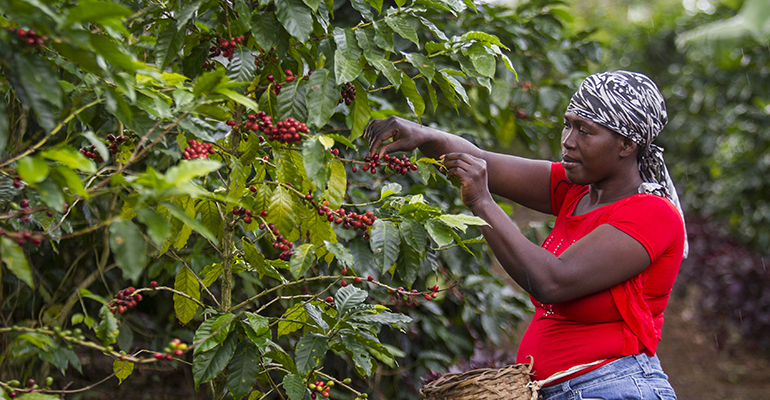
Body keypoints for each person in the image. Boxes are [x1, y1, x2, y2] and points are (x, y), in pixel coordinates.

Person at [364, 70, 686, 400]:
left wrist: (482, 203)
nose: (568, 140)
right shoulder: (577, 191)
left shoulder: (652, 214)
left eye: (584, 131)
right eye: (568, 124)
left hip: (614, 387)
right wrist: (422, 135)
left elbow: (553, 281)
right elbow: (481, 162)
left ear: (627, 144)